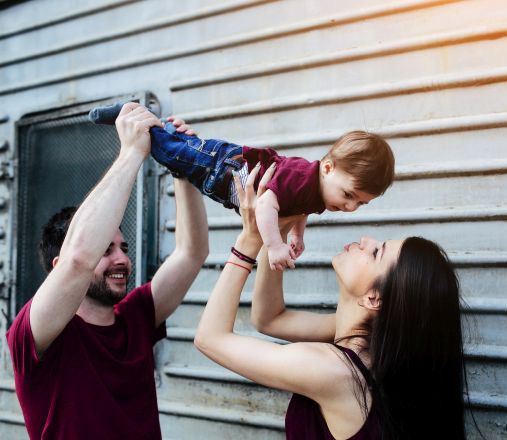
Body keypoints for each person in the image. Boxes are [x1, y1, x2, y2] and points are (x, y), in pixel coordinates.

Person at [194, 165, 468, 439]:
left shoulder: (334, 371)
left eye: (376, 253)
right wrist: (274, 235)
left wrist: (249, 238)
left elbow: (210, 338)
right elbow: (269, 319)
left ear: (374, 298)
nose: (365, 240)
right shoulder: (371, 350)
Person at [5, 103, 209, 440]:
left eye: (123, 249)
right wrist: (131, 152)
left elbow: (192, 252)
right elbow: (77, 260)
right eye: (106, 250)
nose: (121, 260)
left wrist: (182, 170)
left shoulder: (137, 315)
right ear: (57, 269)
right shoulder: (35, 332)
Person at [88, 102, 396, 271]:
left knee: (176, 152)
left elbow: (300, 208)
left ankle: (161, 125)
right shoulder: (303, 177)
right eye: (349, 195)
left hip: (220, 179)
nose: (350, 207)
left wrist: (298, 235)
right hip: (223, 165)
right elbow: (266, 204)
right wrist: (274, 245)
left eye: (361, 204)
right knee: (167, 150)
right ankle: (131, 113)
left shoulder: (318, 192)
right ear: (327, 168)